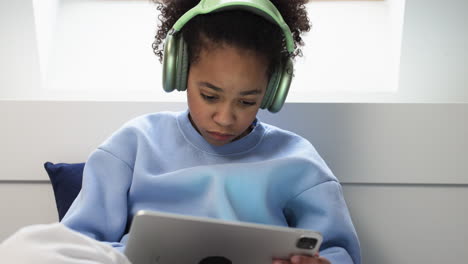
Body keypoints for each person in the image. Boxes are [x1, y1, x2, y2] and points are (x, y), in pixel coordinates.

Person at [0, 0, 361, 263]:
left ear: (272, 89)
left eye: (247, 101)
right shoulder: (134, 143)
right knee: (26, 246)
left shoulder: (300, 163)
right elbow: (79, 240)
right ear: (179, 71)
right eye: (209, 95)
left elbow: (339, 252)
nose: (225, 117)